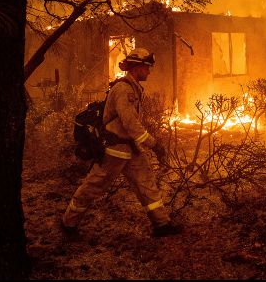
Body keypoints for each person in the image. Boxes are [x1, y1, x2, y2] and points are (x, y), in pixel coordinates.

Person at [62, 48, 183, 238]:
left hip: (130, 149)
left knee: (146, 183)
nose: (149, 72)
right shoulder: (123, 90)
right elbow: (130, 123)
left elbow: (130, 123)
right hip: (114, 150)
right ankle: (68, 223)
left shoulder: (132, 87)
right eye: (147, 67)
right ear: (137, 67)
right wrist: (154, 143)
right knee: (94, 185)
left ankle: (162, 224)